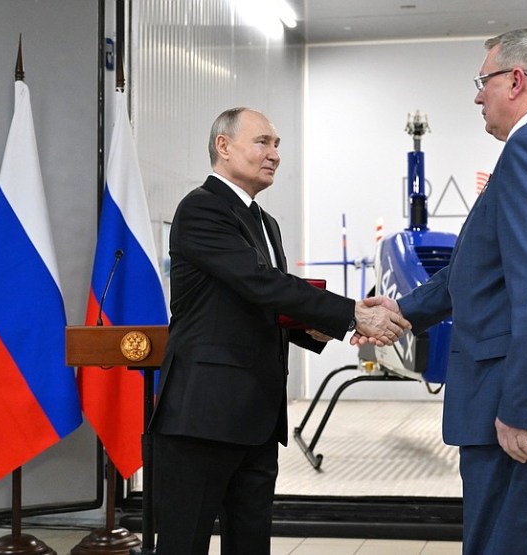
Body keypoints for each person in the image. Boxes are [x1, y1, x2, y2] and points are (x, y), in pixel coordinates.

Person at [358, 29, 527, 554]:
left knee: (504, 544)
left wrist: (520, 405)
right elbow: (483, 270)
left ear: (516, 80)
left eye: (484, 82)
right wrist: (403, 309)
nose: (478, 96)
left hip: (526, 399)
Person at [151, 107, 409, 555]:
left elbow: (263, 304)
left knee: (251, 543)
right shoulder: (202, 208)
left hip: (257, 419)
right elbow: (261, 283)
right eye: (262, 142)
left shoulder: (265, 223)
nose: (274, 154)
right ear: (223, 146)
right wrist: (351, 314)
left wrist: (315, 329)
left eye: (277, 145)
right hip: (204, 416)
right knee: (183, 543)